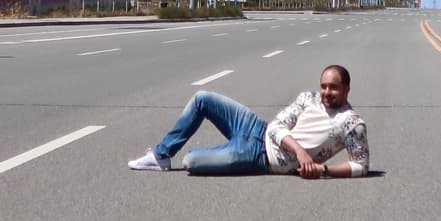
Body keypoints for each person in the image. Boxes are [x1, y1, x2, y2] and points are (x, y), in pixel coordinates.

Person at [127, 64, 368, 177]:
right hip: (255, 127)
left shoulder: (352, 124)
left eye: (333, 88)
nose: (326, 92)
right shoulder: (308, 98)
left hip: (258, 156)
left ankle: (206, 153)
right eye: (324, 86)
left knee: (191, 162)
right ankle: (161, 156)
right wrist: (301, 153)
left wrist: (323, 169)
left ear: (347, 89)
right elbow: (275, 126)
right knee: (202, 98)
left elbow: (360, 166)